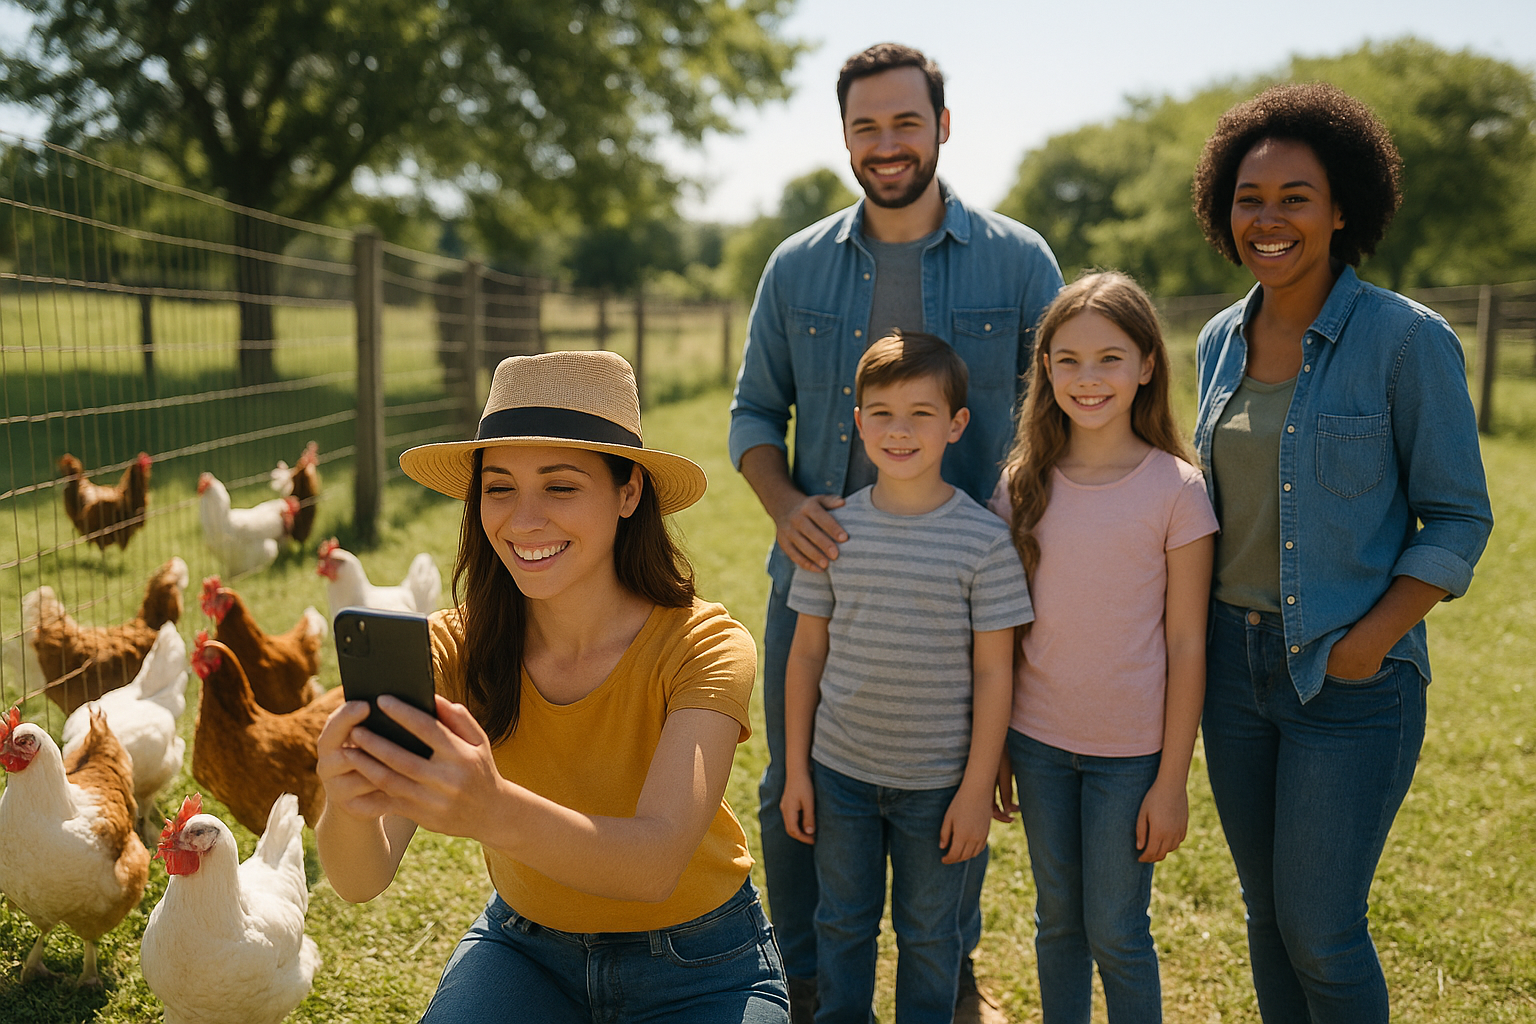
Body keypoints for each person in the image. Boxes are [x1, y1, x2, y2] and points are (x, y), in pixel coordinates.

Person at [728, 40, 1063, 1022]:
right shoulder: (796, 267)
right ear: (844, 137)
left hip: (968, 581)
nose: (886, 143)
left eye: (905, 122)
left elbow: (1061, 414)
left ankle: (946, 974)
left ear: (943, 127)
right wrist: (788, 508)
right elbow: (754, 414)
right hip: (823, 577)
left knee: (957, 781)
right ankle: (804, 980)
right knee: (796, 788)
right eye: (866, 126)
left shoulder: (1020, 258)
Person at [315, 350, 790, 1023]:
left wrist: (490, 808)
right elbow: (361, 880)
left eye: (561, 487)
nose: (523, 519)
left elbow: (654, 863)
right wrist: (347, 799)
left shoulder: (704, 646)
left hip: (701, 964)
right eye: (500, 487)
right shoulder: (450, 648)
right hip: (525, 950)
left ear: (629, 494)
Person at [1189, 84, 1493, 1022]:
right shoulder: (1216, 342)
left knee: (1321, 929)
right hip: (1232, 678)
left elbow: (1458, 517)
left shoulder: (1407, 342)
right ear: (1222, 208)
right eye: (1249, 197)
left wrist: (1369, 640)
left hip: (1350, 681)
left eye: (1295, 196)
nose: (1268, 219)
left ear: (1342, 208)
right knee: (1266, 917)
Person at [778, 333, 1031, 1023]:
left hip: (941, 786)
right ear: (857, 422)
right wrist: (797, 770)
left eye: (921, 413)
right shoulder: (833, 531)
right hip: (840, 775)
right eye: (881, 411)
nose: (899, 429)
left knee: (929, 937)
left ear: (956, 425)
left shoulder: (984, 542)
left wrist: (978, 786)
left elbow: (994, 671)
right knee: (843, 924)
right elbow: (805, 655)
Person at [989, 272, 1217, 1023]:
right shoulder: (1023, 485)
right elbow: (1001, 635)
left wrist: (1172, 780)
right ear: (1045, 369)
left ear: (1148, 364)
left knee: (1117, 932)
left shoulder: (1177, 490)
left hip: (1131, 757)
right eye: (1068, 360)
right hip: (1039, 744)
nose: (1088, 379)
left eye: (1110, 359)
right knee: (1057, 926)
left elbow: (1187, 644)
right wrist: (995, 749)